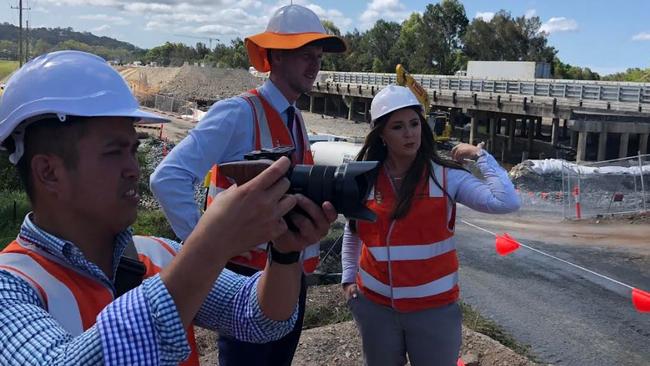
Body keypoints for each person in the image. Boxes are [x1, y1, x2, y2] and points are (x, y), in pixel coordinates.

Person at [0, 50, 336, 365]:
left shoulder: (158, 255)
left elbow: (261, 320)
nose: (133, 167)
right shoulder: (11, 285)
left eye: (133, 149)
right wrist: (211, 243)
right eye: (114, 151)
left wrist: (285, 253)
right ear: (49, 172)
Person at [150, 4, 346, 365]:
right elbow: (168, 178)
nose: (315, 65)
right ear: (274, 58)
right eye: (305, 54)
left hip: (288, 275)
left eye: (318, 56)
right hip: (245, 282)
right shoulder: (238, 113)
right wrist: (208, 249)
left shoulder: (296, 120)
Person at [341, 85, 521, 366]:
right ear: (382, 135)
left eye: (414, 124)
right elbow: (352, 231)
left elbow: (506, 202)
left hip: (434, 310)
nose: (409, 133)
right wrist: (348, 278)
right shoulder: (365, 177)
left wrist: (479, 156)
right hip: (375, 307)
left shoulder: (446, 178)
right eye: (398, 127)